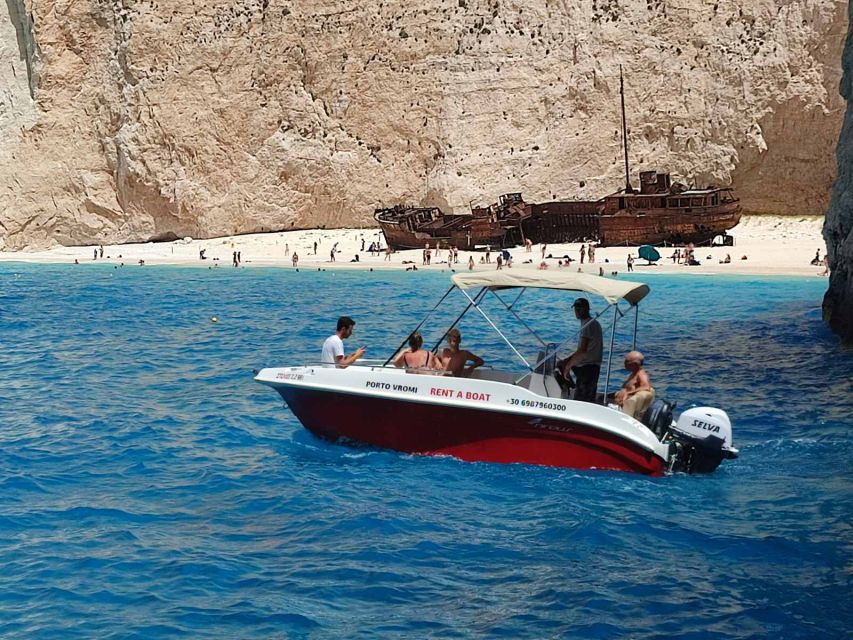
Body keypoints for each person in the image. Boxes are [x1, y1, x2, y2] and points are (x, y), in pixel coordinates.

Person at [558, 298, 603, 403]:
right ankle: (570, 388)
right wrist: (566, 361)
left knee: (581, 401)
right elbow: (584, 350)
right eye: (576, 308)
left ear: (587, 308)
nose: (577, 310)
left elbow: (582, 351)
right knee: (561, 364)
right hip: (591, 367)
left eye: (580, 308)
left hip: (588, 368)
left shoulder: (587, 325)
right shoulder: (593, 323)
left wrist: (567, 367)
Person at [614, 351, 655, 420]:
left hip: (624, 410)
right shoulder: (634, 373)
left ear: (635, 364)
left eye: (627, 361)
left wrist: (628, 393)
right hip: (618, 406)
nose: (624, 363)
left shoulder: (641, 374)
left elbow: (646, 386)